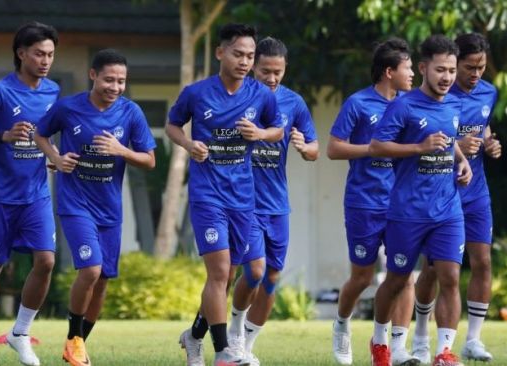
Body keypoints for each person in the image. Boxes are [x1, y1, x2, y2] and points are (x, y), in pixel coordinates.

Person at [166, 23, 283, 366]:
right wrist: (189, 144)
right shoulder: (196, 93)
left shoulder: (261, 95)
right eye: (238, 54)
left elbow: (277, 130)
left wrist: (260, 133)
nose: (245, 61)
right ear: (221, 53)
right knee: (218, 273)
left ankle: (193, 338)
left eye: (250, 56)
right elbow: (173, 125)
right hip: (207, 195)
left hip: (243, 197)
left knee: (230, 275)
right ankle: (224, 353)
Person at [34, 48, 156, 366]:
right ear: (93, 75)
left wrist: (121, 150)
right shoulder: (68, 108)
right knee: (90, 269)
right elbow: (40, 133)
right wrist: (56, 158)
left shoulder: (131, 113)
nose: (115, 87)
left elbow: (149, 160)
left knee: (102, 281)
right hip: (75, 204)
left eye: (121, 81)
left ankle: (77, 345)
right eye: (109, 80)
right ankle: (74, 339)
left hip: (110, 210)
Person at [367, 34, 472, 366]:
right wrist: (418, 148)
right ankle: (380, 342)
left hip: (447, 209)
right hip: (408, 211)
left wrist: (461, 161)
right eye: (441, 69)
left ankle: (444, 353)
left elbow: (449, 138)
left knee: (450, 277)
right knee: (398, 279)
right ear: (424, 68)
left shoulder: (455, 104)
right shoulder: (403, 105)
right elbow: (377, 147)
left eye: (452, 70)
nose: (447, 77)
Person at [0, 21, 59, 366]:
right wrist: (3, 135)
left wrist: (53, 156)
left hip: (36, 194)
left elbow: (50, 133)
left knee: (46, 261)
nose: (45, 60)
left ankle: (20, 333)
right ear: (21, 54)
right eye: (39, 54)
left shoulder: (54, 92)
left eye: (50, 54)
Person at [226, 36, 319, 366]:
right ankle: (234, 333)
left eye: (277, 72)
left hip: (277, 204)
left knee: (272, 278)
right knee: (254, 270)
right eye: (265, 71)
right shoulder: (238, 98)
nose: (272, 78)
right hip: (244, 201)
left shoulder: (293, 103)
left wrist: (302, 147)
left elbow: (314, 150)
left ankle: (248, 346)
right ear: (253, 67)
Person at [327, 37, 419, 366]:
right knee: (363, 278)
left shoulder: (413, 104)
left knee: (405, 276)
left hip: (403, 205)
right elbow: (334, 148)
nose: (413, 73)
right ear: (389, 71)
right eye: (408, 68)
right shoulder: (358, 104)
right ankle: (341, 325)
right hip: (364, 202)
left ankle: (396, 348)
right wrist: (373, 148)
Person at [410, 32, 501, 363]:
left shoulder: (489, 92)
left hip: (476, 192)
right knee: (434, 271)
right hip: (440, 192)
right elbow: (423, 141)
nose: (475, 74)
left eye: (481, 67)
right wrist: (455, 147)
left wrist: (490, 144)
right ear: (453, 63)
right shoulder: (439, 96)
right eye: (469, 67)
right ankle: (420, 336)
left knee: (483, 261)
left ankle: (473, 340)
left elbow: (484, 129)